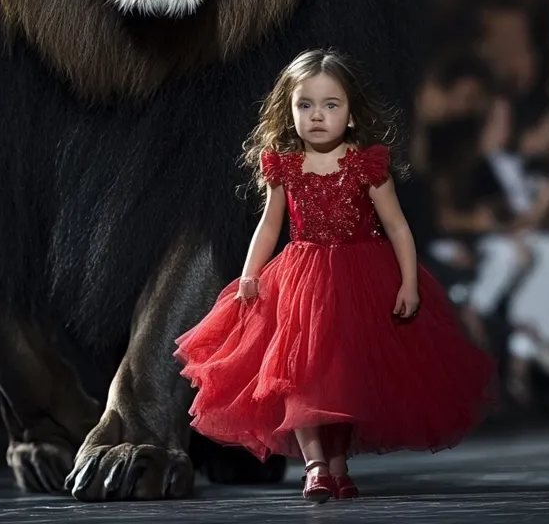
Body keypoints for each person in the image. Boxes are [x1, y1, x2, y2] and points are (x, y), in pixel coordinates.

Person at [174, 49, 497, 504]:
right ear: (288, 110)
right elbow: (270, 224)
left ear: (349, 113)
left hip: (359, 277)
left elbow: (398, 226)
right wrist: (249, 273)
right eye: (305, 105)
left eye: (331, 105)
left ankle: (339, 464)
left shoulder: (367, 163)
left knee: (343, 377)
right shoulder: (284, 166)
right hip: (301, 281)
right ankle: (315, 466)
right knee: (301, 375)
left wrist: (409, 282)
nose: (318, 116)